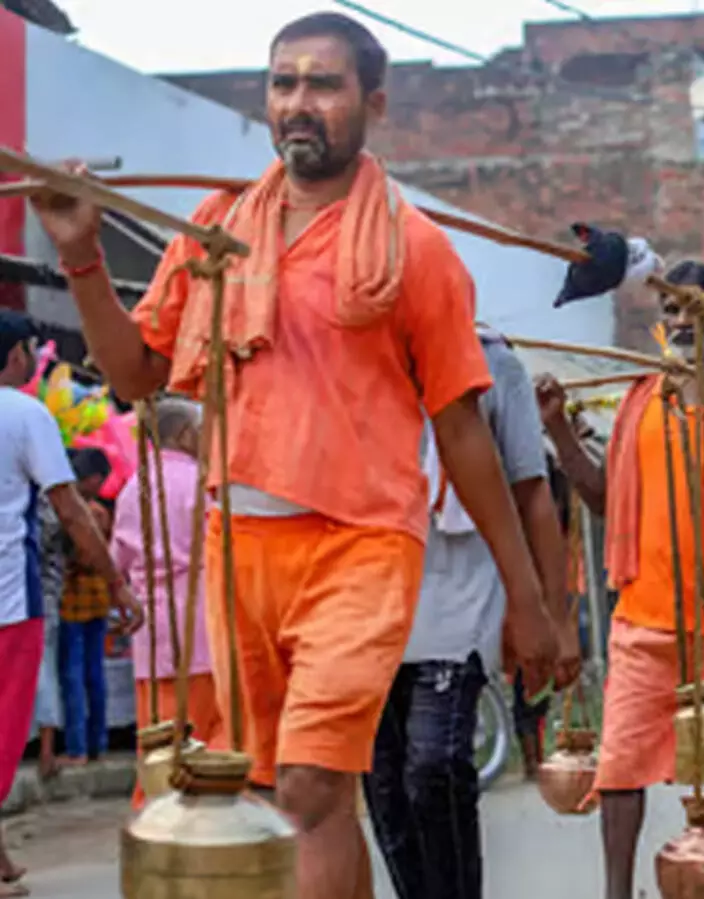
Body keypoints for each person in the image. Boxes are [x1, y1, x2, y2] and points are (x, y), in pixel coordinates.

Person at [29, 14, 559, 897]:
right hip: (239, 545)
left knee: (310, 785)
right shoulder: (218, 231)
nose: (299, 103)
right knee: (282, 793)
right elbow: (136, 374)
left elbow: (464, 433)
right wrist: (81, 253)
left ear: (372, 103)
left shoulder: (414, 250)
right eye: (284, 84)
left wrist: (529, 599)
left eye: (324, 84)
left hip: (363, 545)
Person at [537, 260, 704, 899]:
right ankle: (616, 893)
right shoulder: (638, 401)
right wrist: (556, 430)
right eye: (672, 311)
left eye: (696, 310)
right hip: (646, 619)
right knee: (621, 766)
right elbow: (606, 499)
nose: (683, 322)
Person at [366, 325, 573, 899]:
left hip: (464, 589)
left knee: (433, 767)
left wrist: (550, 613)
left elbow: (533, 493)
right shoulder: (352, 347)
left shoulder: (492, 361)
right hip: (370, 588)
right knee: (384, 783)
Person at [0, 310, 141, 898]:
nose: (36, 360)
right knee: (6, 732)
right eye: (31, 350)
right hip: (9, 598)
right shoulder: (25, 413)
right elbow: (70, 509)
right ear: (13, 356)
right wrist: (115, 581)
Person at [111, 397, 223, 810]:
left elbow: (117, 562)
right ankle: (204, 811)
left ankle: (154, 806)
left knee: (156, 728)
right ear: (184, 435)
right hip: (199, 623)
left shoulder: (131, 487)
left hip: (150, 631)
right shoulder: (202, 483)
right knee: (205, 728)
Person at [58, 448, 115, 767]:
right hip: (99, 600)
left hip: (71, 602)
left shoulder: (75, 513)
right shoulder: (100, 513)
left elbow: (77, 559)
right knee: (94, 674)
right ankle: (98, 743)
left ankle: (78, 748)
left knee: (73, 675)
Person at [30, 493, 66, 781]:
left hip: (37, 598)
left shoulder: (42, 502)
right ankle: (45, 751)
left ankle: (46, 752)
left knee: (42, 674)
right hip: (38, 597)